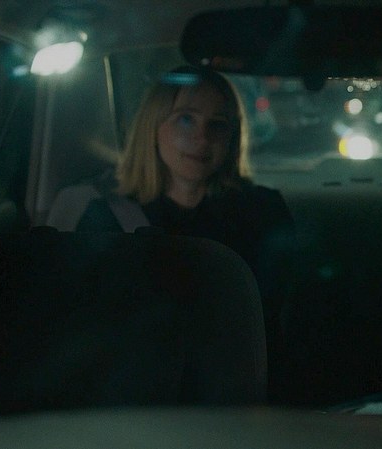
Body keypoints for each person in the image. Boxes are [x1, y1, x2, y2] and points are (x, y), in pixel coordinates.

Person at [75, 66, 296, 400]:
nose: (202, 138)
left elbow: (275, 321)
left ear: (232, 136)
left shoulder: (262, 213)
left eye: (217, 124)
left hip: (242, 390)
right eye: (186, 119)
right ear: (153, 126)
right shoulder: (106, 218)